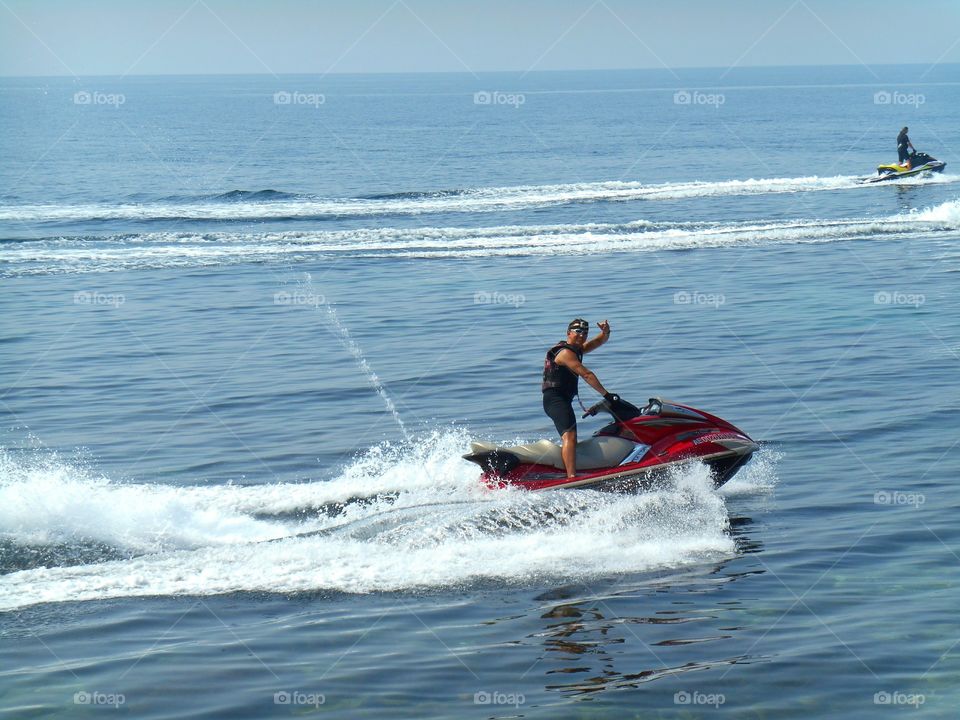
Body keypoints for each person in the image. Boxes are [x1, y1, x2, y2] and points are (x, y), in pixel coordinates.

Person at [541, 318, 617, 478]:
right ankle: (572, 478)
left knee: (571, 434)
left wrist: (606, 332)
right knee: (570, 435)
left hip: (563, 399)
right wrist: (606, 395)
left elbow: (599, 342)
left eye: (585, 332)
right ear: (568, 333)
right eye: (578, 331)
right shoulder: (566, 353)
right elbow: (586, 374)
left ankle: (572, 469)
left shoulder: (577, 349)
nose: (582, 335)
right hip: (555, 400)